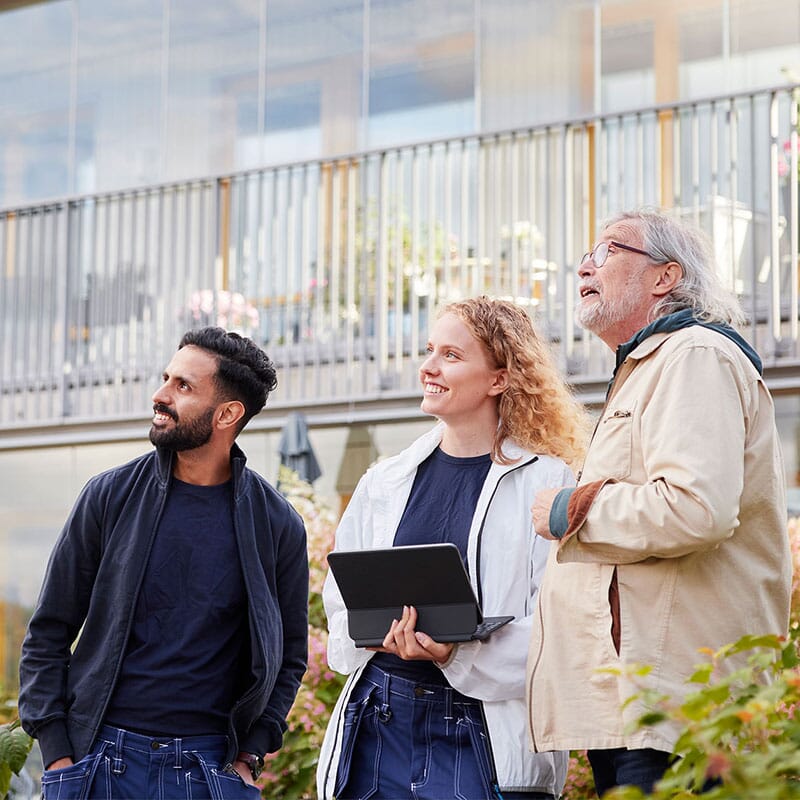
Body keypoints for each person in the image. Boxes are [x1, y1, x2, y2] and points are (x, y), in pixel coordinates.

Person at [527, 208, 792, 797]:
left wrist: (571, 510)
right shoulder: (654, 364)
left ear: (666, 276)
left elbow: (695, 509)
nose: (584, 266)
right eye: (587, 254)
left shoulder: (694, 355)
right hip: (641, 704)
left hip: (677, 705)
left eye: (608, 250)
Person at [317, 296, 590, 800]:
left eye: (451, 355)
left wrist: (456, 654)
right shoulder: (384, 480)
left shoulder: (548, 483)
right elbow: (340, 600)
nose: (428, 367)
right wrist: (370, 633)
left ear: (499, 379)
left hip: (483, 731)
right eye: (429, 350)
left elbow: (559, 627)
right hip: (379, 721)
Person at [19, 327, 309, 800]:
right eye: (166, 379)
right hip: (99, 762)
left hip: (208, 769)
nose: (161, 395)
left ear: (228, 414)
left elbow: (290, 656)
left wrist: (249, 757)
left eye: (183, 386)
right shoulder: (109, 496)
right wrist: (57, 756)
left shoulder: (277, 525)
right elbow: (49, 630)